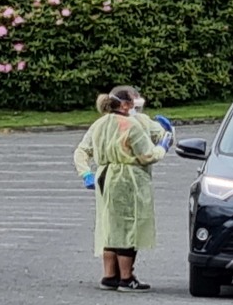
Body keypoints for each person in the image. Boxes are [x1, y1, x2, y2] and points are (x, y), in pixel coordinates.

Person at [73, 86, 173, 292]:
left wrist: (86, 173)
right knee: (129, 226)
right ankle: (127, 278)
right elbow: (148, 155)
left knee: (110, 225)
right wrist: (164, 145)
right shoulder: (131, 125)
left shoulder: (99, 124)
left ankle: (110, 275)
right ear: (126, 104)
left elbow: (81, 151)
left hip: (104, 176)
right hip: (127, 179)